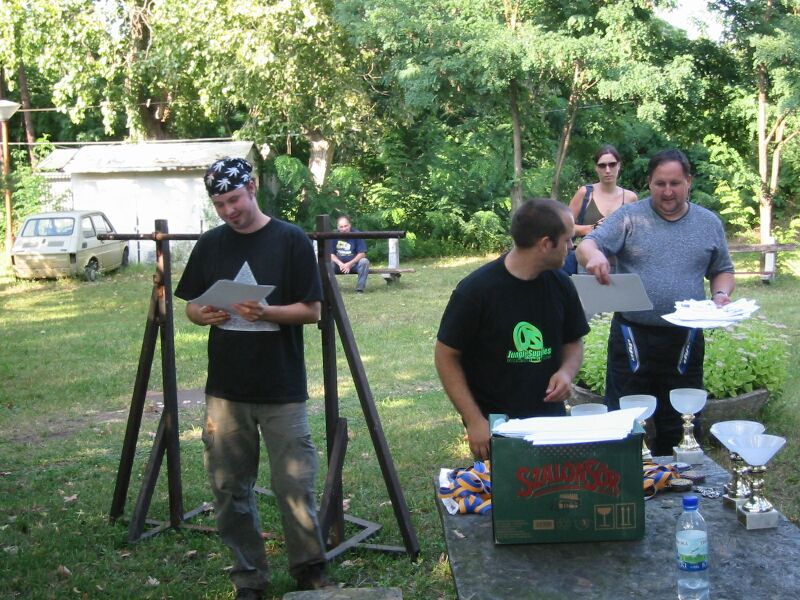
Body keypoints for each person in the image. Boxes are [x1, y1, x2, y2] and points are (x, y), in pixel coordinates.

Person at [174, 157, 333, 599]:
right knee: (228, 487)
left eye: (234, 200)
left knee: (294, 484)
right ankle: (248, 577)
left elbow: (312, 311)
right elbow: (190, 306)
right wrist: (201, 314)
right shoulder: (211, 244)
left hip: (282, 388)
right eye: (220, 204)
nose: (229, 211)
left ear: (253, 187)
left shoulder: (291, 240)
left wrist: (266, 312)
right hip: (226, 391)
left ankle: (309, 570)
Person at [577, 149, 735, 456]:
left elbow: (723, 271)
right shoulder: (629, 217)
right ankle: (625, 476)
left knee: (682, 422)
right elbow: (588, 244)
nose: (668, 191)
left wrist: (720, 294)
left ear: (689, 182)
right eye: (660, 183)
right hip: (632, 335)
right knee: (623, 418)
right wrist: (594, 256)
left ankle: (680, 478)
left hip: (685, 337)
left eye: (675, 183)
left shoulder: (708, 222)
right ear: (649, 182)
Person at [435, 198, 590, 461]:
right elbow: (445, 356)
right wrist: (474, 420)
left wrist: (566, 372)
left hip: (551, 423)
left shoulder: (562, 284)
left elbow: (573, 342)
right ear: (545, 244)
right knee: (506, 488)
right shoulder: (476, 291)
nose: (572, 247)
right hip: (496, 425)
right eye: (567, 240)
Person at [562, 144, 638, 275]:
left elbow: (635, 236)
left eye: (612, 164)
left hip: (619, 263)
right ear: (596, 168)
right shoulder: (585, 193)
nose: (607, 170)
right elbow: (564, 227)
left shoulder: (630, 198)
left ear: (619, 166)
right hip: (587, 261)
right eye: (602, 165)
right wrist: (591, 229)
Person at [330, 215, 369, 293]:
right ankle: (331, 290)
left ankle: (360, 289)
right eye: (341, 227)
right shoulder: (333, 235)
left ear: (350, 225)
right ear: (337, 227)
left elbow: (362, 254)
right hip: (338, 266)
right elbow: (330, 254)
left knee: (364, 261)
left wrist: (349, 264)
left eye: (345, 226)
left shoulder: (357, 234)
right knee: (328, 263)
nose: (344, 229)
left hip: (354, 265)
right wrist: (340, 264)